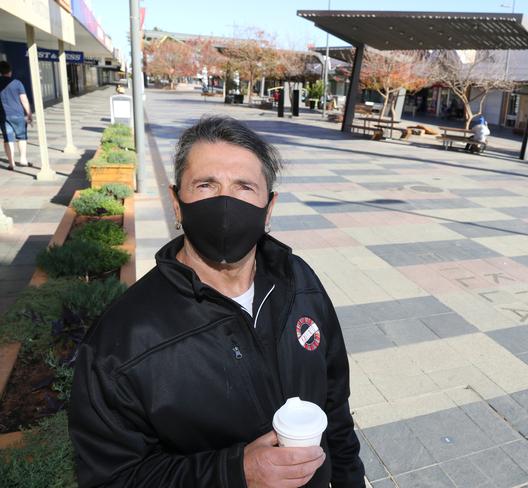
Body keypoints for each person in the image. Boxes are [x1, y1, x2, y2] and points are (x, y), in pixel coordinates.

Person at [69, 116, 365, 488]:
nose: (226, 203)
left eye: (244, 187)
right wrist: (235, 472)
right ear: (177, 203)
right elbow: (112, 479)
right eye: (206, 185)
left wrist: (352, 479)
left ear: (269, 207)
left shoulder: (299, 281)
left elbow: (334, 404)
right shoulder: (122, 342)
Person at [0, 61, 32, 170]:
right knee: (21, 137)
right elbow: (24, 100)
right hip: (18, 115)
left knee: (8, 139)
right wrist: (29, 113)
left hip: (3, 116)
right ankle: (23, 159)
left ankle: (11, 163)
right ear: (10, 71)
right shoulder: (17, 83)